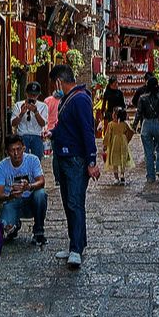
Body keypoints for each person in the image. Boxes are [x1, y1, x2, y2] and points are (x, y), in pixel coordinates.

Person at [49, 64, 100, 269]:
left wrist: (91, 161)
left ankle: (77, 249)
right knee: (68, 203)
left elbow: (87, 131)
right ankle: (74, 244)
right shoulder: (67, 100)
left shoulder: (79, 99)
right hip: (63, 156)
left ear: (60, 81)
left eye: (55, 82)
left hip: (75, 160)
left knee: (75, 203)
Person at [0, 135, 48, 245]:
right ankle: (14, 225)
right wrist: (10, 195)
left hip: (31, 200)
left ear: (24, 148)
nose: (16, 153)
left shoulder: (33, 160)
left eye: (18, 149)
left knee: (41, 194)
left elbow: (41, 181)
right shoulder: (0, 167)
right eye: (12, 150)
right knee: (5, 226)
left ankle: (39, 231)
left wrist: (29, 186)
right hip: (12, 201)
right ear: (7, 152)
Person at [137, 77, 159, 182]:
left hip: (146, 124)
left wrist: (134, 125)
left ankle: (150, 176)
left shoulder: (142, 98)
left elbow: (138, 113)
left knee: (148, 152)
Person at [11, 82, 48, 160]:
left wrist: (36, 112)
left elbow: (43, 123)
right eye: (30, 94)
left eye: (34, 95)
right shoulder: (18, 105)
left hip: (37, 135)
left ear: (38, 95)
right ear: (26, 94)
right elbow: (13, 123)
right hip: (22, 135)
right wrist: (21, 114)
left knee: (36, 160)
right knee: (23, 160)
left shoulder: (43, 106)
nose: (32, 97)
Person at [103, 107, 134, 185]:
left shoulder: (111, 124)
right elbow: (130, 132)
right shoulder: (124, 124)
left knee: (114, 161)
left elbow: (107, 135)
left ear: (116, 115)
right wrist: (126, 140)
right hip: (123, 144)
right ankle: (122, 175)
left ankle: (116, 178)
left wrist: (105, 145)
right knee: (122, 159)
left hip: (114, 145)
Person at [43, 88, 63, 185]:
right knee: (59, 154)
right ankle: (61, 177)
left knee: (55, 155)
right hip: (60, 129)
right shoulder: (63, 101)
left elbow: (44, 116)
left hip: (49, 129)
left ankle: (57, 179)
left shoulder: (47, 100)